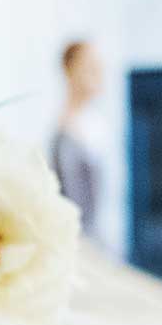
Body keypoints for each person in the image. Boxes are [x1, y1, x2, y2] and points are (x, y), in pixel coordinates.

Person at [51, 39, 105, 237]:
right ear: (70, 70)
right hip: (81, 241)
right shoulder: (64, 134)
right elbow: (72, 205)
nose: (99, 75)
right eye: (91, 67)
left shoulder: (95, 124)